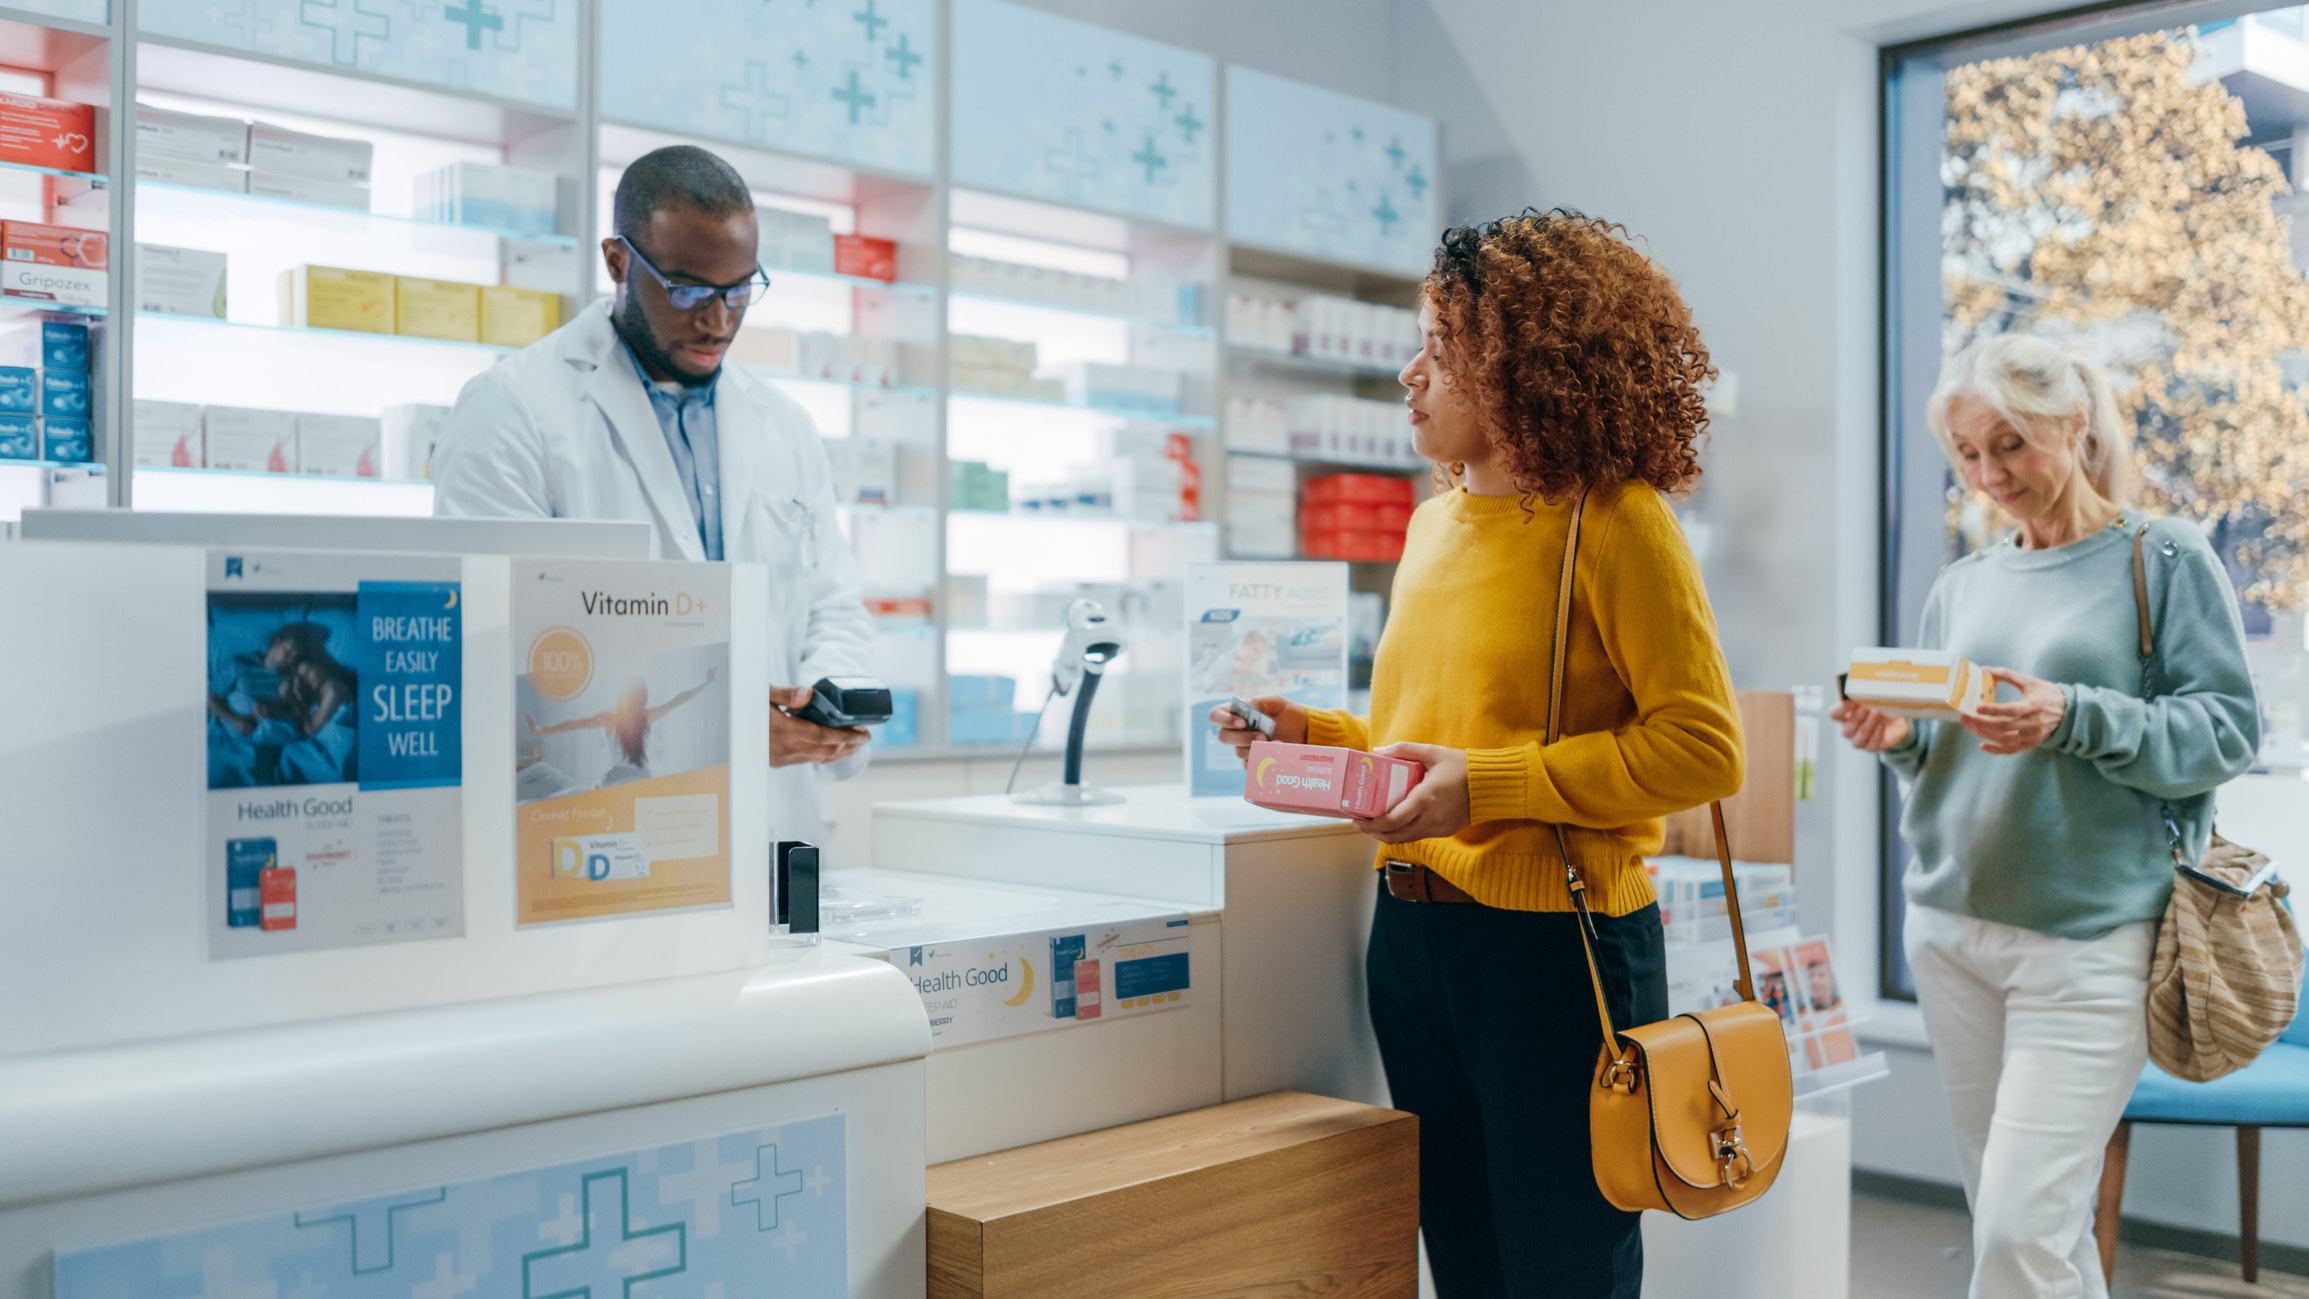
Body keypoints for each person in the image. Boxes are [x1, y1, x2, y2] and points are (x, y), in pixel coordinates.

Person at [1214, 210, 1744, 1298]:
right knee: (1457, 1253)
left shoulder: (1617, 520)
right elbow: (1432, 746)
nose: (1409, 375)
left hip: (1555, 947)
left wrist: (1485, 789)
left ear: (1522, 367)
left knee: (1562, 1263)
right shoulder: (1429, 526)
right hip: (1407, 938)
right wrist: (1310, 736)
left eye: (1439, 349)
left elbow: (1700, 748)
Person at [1831, 333, 2258, 1299]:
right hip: (1949, 929)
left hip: (2087, 941)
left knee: (2020, 1230)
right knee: (2028, 1228)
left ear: (2073, 424)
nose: (1990, 475)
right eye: (1969, 455)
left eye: (2010, 444)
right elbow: (1950, 763)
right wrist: (1899, 739)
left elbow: (2227, 730)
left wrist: (2073, 713)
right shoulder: (1965, 583)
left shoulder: (2165, 558)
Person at [432, 145, 871, 842]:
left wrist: (825, 702)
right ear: (617, 261)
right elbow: (494, 653)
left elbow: (832, 603)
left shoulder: (785, 426)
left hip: (770, 828)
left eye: (738, 291)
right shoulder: (511, 409)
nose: (718, 321)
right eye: (689, 290)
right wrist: (716, 728)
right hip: (601, 829)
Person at [527, 668, 716, 787]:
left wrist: (541, 730)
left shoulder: (610, 720)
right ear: (643, 696)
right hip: (641, 778)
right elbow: (677, 700)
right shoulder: (647, 716)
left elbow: (572, 725)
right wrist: (706, 684)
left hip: (616, 778)